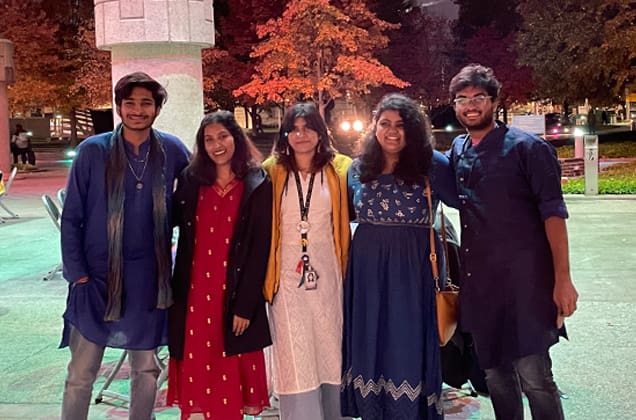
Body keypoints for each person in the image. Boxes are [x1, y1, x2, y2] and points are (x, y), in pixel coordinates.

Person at [447, 64, 579, 420]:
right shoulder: (458, 150)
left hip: (527, 285)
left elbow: (554, 214)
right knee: (495, 377)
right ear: (454, 105)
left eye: (478, 98)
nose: (470, 106)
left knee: (535, 378)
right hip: (482, 287)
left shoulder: (528, 149)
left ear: (493, 101)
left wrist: (563, 279)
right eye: (462, 99)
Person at [59, 72, 190, 419]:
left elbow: (197, 195)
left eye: (146, 102)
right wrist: (78, 276)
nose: (137, 110)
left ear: (157, 108)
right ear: (118, 107)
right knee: (80, 375)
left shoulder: (173, 150)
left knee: (146, 371)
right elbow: (72, 217)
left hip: (149, 280)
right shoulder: (92, 151)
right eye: (130, 103)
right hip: (97, 280)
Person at [341, 93, 458, 419]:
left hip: (414, 268)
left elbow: (468, 203)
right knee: (370, 337)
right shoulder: (359, 167)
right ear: (374, 127)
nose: (392, 131)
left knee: (406, 341)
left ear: (415, 129)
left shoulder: (432, 164)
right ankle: (371, 410)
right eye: (385, 123)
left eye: (401, 125)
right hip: (367, 269)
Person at [167, 111, 272, 419]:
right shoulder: (191, 180)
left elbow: (260, 247)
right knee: (199, 368)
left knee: (230, 368)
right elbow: (166, 221)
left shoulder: (256, 182)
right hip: (196, 292)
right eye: (208, 140)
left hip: (235, 291)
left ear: (236, 138)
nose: (217, 145)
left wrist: (246, 306)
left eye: (223, 137)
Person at [263, 102, 352, 420]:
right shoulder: (271, 171)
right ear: (285, 135)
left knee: (331, 345)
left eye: (308, 128)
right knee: (293, 349)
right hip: (285, 276)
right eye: (294, 129)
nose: (301, 135)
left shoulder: (340, 169)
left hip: (329, 272)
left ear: (320, 132)